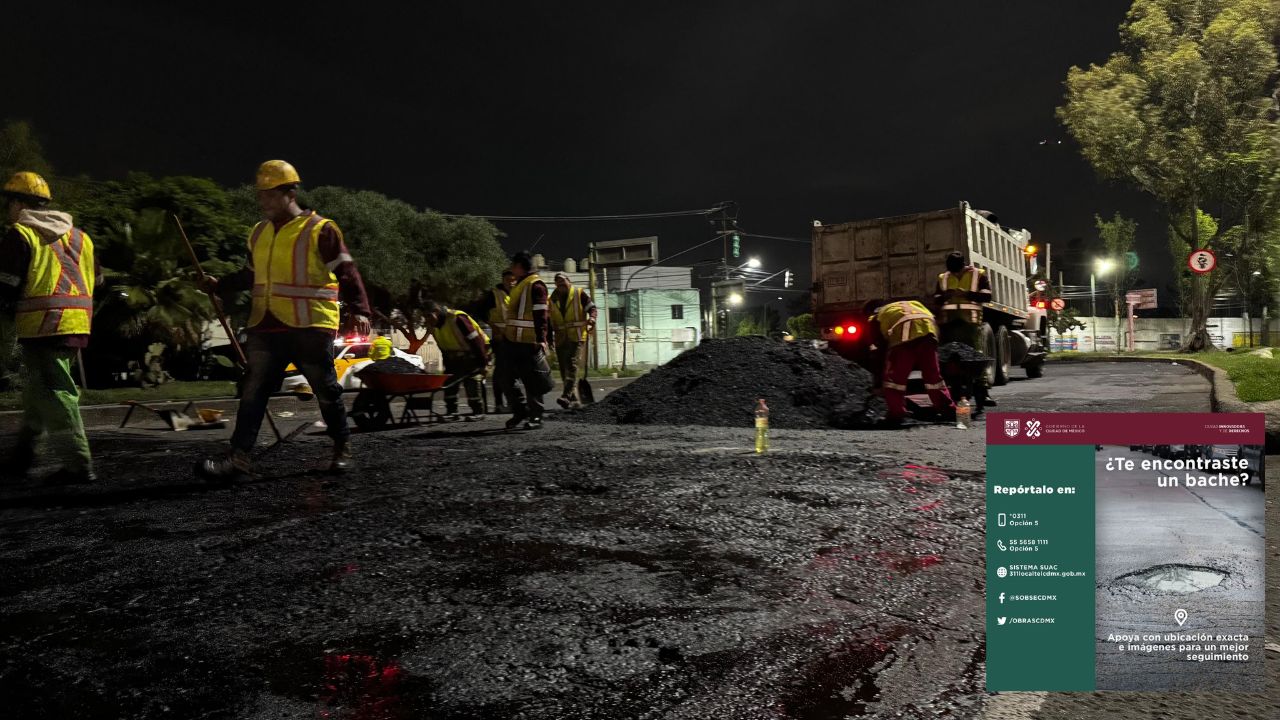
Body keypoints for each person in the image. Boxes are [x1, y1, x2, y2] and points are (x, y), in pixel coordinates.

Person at [198, 160, 371, 479]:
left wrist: (360, 310)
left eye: (269, 194)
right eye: (260, 194)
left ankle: (341, 446)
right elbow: (250, 275)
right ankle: (239, 457)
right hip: (266, 325)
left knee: (325, 389)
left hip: (310, 326)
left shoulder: (320, 229)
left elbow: (346, 271)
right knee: (253, 390)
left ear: (290, 192)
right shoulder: (259, 232)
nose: (262, 200)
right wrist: (219, 284)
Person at [0, 172, 100, 484]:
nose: (7, 210)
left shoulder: (20, 234)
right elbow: (99, 279)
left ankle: (79, 464)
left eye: (8, 203)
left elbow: (6, 286)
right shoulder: (81, 237)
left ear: (18, 204)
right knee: (38, 391)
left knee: (58, 393)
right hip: (75, 324)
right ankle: (23, 457)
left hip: (43, 326)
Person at [865, 298, 955, 426]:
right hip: (928, 333)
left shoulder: (875, 319)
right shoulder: (912, 304)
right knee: (933, 378)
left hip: (904, 340)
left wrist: (879, 382)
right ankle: (948, 410)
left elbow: (879, 351)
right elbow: (933, 321)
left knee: (894, 381)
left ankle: (897, 414)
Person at [499, 251, 552, 429]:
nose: (511, 268)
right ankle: (520, 411)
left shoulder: (536, 285)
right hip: (512, 341)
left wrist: (542, 338)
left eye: (513, 265)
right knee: (505, 378)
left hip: (529, 342)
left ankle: (536, 416)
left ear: (520, 266)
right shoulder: (520, 285)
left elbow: (541, 314)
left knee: (532, 381)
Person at [934, 251, 994, 405]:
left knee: (976, 356)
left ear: (963, 266)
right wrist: (944, 296)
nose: (954, 273)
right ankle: (953, 389)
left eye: (957, 270)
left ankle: (983, 390)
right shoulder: (943, 277)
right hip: (948, 325)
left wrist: (967, 294)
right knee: (948, 358)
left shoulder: (978, 275)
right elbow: (935, 298)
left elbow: (987, 296)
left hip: (970, 324)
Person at [425, 302, 489, 420]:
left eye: (429, 315)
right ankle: (452, 412)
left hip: (473, 355)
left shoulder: (456, 318)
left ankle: (478, 412)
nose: (427, 319)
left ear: (437, 312)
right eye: (425, 317)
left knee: (472, 383)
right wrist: (446, 366)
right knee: (449, 384)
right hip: (454, 359)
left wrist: (482, 363)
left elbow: (476, 340)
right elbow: (442, 347)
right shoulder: (435, 326)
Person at [548, 271, 597, 409]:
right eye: (558, 283)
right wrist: (549, 338)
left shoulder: (579, 293)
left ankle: (566, 395)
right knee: (564, 369)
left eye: (562, 281)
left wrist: (592, 319)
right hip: (560, 338)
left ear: (568, 281)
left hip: (576, 336)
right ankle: (573, 398)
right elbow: (549, 319)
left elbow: (591, 308)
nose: (560, 285)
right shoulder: (553, 298)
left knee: (572, 364)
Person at [470, 270, 516, 414]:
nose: (511, 283)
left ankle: (512, 402)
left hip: (515, 339)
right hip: (500, 338)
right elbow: (478, 310)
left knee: (513, 371)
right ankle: (499, 403)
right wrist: (492, 325)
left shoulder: (517, 293)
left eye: (514, 280)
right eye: (509, 280)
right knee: (501, 370)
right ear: (503, 280)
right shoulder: (493, 294)